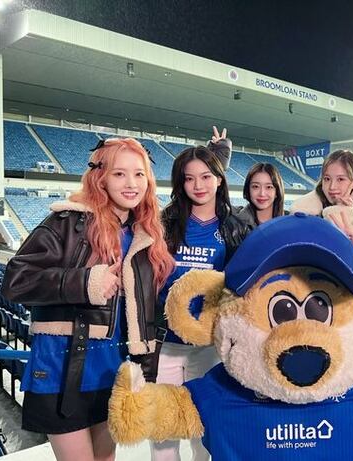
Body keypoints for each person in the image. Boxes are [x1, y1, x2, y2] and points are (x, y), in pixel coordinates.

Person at [1, 138, 174, 461]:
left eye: (139, 174)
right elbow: (15, 281)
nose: (131, 183)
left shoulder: (144, 235)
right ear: (100, 177)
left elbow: (144, 315)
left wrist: (145, 373)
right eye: (119, 173)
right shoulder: (68, 222)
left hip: (112, 374)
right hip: (62, 372)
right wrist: (85, 282)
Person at [152, 137, 250, 461]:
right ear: (180, 183)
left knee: (205, 430)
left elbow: (241, 286)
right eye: (189, 178)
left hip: (209, 345)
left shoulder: (235, 226)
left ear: (219, 179)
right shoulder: (164, 223)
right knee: (164, 432)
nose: (198, 185)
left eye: (206, 176)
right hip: (166, 344)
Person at [290, 149, 353, 234]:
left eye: (340, 179)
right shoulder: (303, 211)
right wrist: (339, 212)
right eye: (327, 179)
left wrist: (344, 211)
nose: (332, 187)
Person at [237, 162, 286, 229]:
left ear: (277, 191)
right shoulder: (236, 225)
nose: (262, 193)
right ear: (248, 189)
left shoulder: (290, 221)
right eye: (256, 186)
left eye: (269, 187)